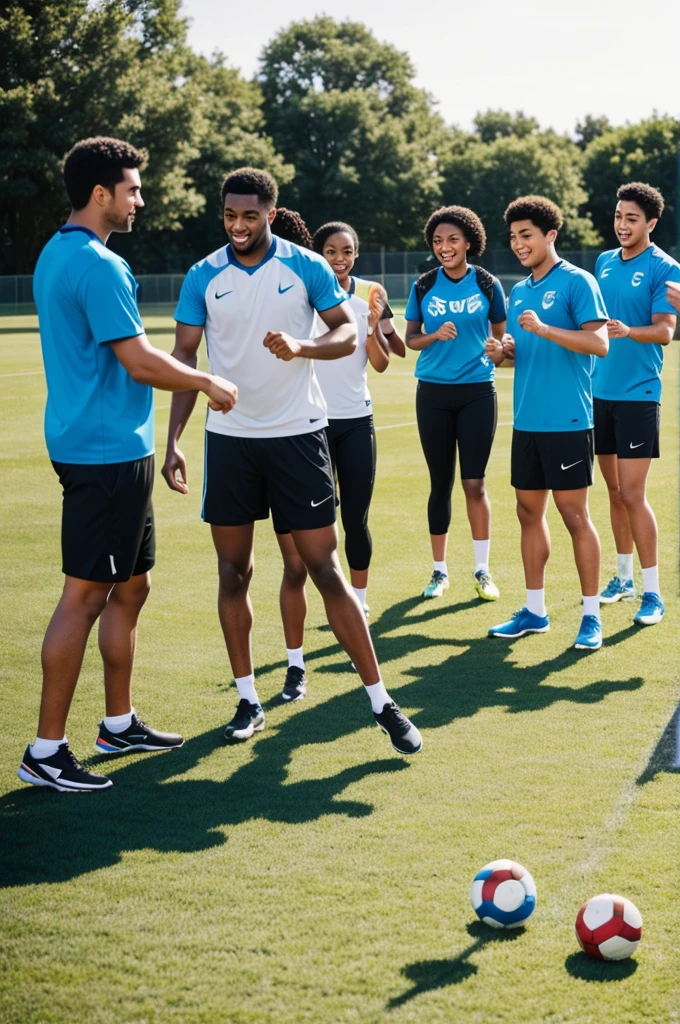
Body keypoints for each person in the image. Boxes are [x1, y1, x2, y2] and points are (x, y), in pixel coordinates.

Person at [162, 168, 422, 755]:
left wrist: (302, 345)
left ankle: (381, 702)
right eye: (229, 215)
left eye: (249, 216)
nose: (237, 225)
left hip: (299, 436)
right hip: (228, 440)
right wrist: (176, 438)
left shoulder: (304, 265)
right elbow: (184, 357)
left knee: (325, 569)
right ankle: (248, 699)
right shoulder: (203, 274)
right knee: (234, 572)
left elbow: (347, 337)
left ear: (270, 216)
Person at [19, 136, 238, 793]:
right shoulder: (96, 264)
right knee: (84, 594)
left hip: (115, 446)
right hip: (104, 450)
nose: (140, 200)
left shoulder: (60, 253)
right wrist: (205, 383)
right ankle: (45, 751)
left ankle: (118, 723)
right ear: (100, 195)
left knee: (132, 585)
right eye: (133, 189)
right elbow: (139, 360)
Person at [488, 195, 609, 650]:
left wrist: (542, 330)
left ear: (550, 235)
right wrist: (504, 354)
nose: (519, 244)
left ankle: (591, 616)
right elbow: (528, 356)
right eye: (514, 237)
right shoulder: (520, 291)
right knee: (527, 513)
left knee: (574, 514)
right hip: (528, 421)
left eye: (527, 235)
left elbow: (599, 344)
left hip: (569, 420)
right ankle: (535, 611)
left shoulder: (579, 282)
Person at [404, 205, 507, 602]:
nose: (444, 248)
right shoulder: (423, 286)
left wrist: (498, 349)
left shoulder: (486, 283)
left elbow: (501, 340)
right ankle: (439, 572)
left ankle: (482, 570)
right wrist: (434, 336)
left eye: (452, 240)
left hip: (478, 391)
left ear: (468, 242)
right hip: (432, 392)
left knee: (475, 483)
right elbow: (411, 339)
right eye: (437, 241)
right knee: (440, 483)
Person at [592, 182, 680, 626]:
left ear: (651, 223)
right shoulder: (604, 262)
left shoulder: (665, 267)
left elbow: (666, 330)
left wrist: (629, 330)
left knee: (633, 493)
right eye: (618, 216)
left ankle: (653, 593)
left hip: (639, 395)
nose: (622, 225)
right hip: (598, 392)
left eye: (632, 218)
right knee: (612, 491)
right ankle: (623, 579)